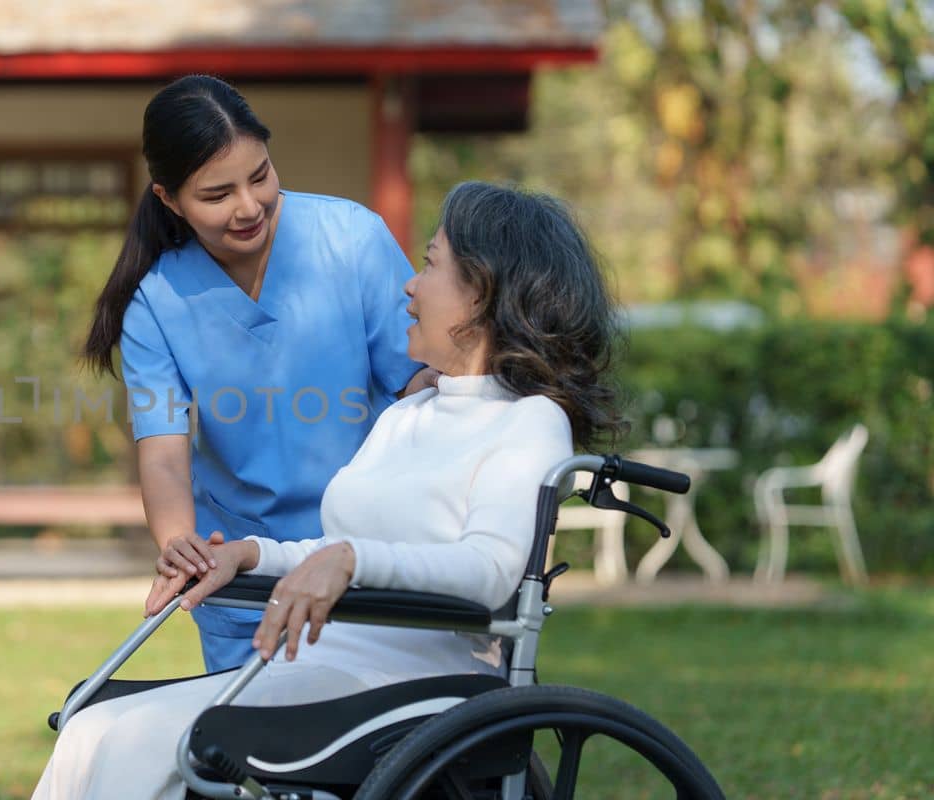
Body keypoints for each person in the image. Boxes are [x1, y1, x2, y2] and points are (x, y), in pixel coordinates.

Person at [36, 181, 626, 799]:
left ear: (479, 293)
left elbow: (491, 571)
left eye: (429, 264)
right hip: (322, 667)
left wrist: (349, 561)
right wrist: (250, 554)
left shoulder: (529, 421)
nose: (409, 285)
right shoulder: (409, 414)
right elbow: (340, 548)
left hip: (413, 686)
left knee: (141, 742)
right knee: (91, 725)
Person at [84, 75, 431, 673]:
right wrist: (178, 545)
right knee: (261, 752)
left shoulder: (350, 239)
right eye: (217, 195)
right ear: (169, 199)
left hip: (362, 552)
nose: (249, 207)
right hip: (243, 573)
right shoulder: (157, 302)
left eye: (261, 175)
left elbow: (418, 386)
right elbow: (164, 453)